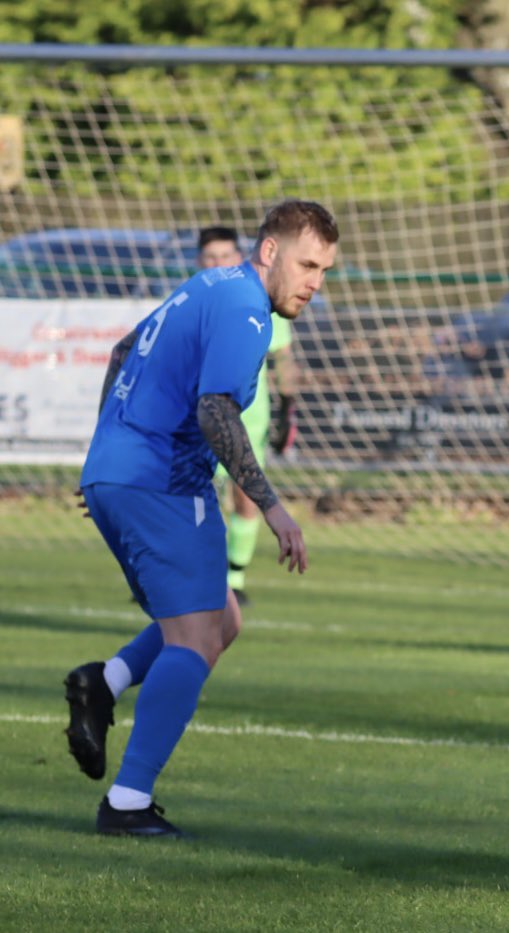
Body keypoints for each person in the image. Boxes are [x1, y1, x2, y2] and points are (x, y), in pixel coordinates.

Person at [63, 200, 338, 837]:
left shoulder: (208, 284)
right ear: (270, 251)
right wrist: (273, 507)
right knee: (196, 640)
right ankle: (127, 803)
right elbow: (216, 411)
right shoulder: (247, 311)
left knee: (225, 616)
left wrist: (106, 452)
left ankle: (104, 682)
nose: (315, 283)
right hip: (162, 483)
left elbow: (122, 349)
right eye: (307, 264)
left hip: (118, 472)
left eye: (324, 270)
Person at [198, 226, 300, 606]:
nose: (217, 263)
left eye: (225, 255)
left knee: (246, 499)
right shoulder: (193, 302)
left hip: (247, 422)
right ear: (198, 261)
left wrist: (288, 411)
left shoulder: (259, 301)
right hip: (196, 423)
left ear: (238, 257)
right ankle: (187, 575)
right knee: (192, 502)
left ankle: (234, 581)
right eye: (210, 256)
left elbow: (283, 358)